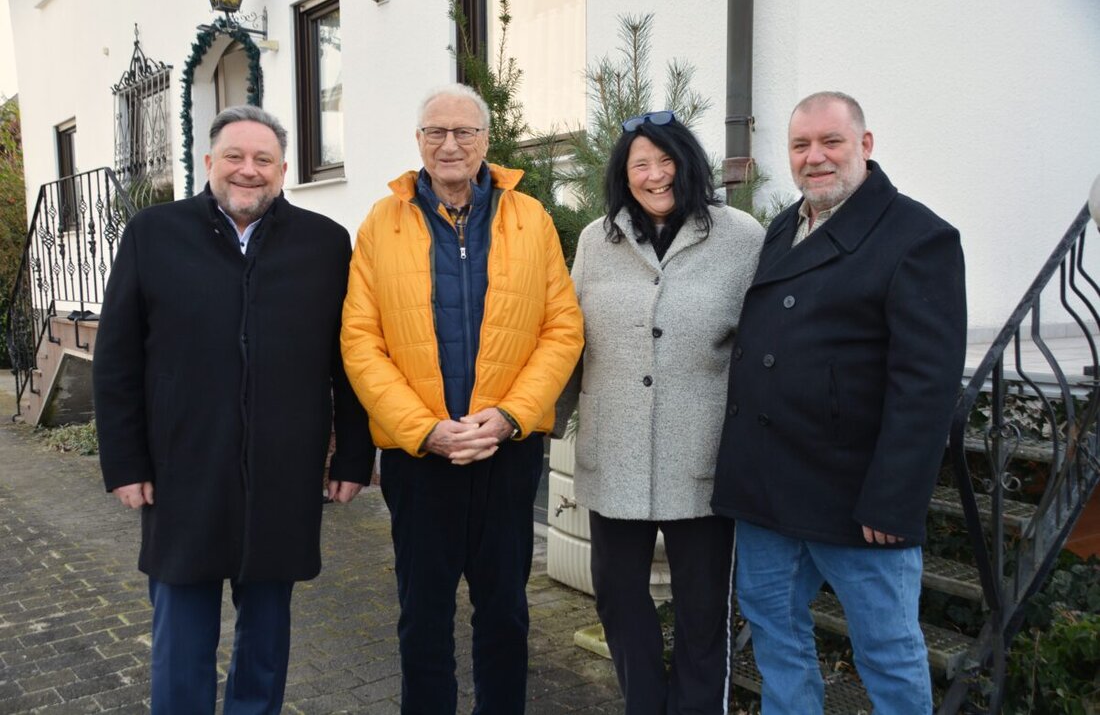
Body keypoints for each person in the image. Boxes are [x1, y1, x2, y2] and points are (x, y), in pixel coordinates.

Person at [92, 105, 374, 714]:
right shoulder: (153, 233)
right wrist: (123, 461)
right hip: (182, 470)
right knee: (181, 643)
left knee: (267, 640)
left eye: (263, 159)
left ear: (283, 169)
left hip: (284, 472)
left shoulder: (325, 243)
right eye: (235, 157)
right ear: (209, 162)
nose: (249, 171)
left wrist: (354, 453)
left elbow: (348, 359)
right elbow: (116, 362)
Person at [712, 91, 967, 713]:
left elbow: (925, 387)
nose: (815, 158)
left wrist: (894, 497)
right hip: (769, 489)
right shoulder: (784, 226)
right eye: (801, 145)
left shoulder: (918, 236)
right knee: (775, 639)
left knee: (887, 652)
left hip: (858, 500)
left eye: (831, 142)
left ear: (866, 146)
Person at [340, 83, 584, 714]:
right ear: (418, 140)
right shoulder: (380, 223)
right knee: (422, 614)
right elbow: (360, 340)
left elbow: (563, 328)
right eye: (435, 132)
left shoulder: (530, 219)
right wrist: (423, 429)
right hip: (421, 459)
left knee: (505, 610)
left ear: (486, 139)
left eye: (464, 132)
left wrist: (508, 417)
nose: (449, 145)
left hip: (505, 454)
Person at [555, 111, 763, 714]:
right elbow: (570, 336)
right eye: (639, 164)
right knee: (618, 598)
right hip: (614, 448)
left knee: (702, 611)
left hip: (702, 455)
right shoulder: (598, 239)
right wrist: (541, 421)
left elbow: (763, 343)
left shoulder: (741, 236)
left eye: (665, 160)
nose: (654, 175)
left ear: (687, 163)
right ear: (624, 174)